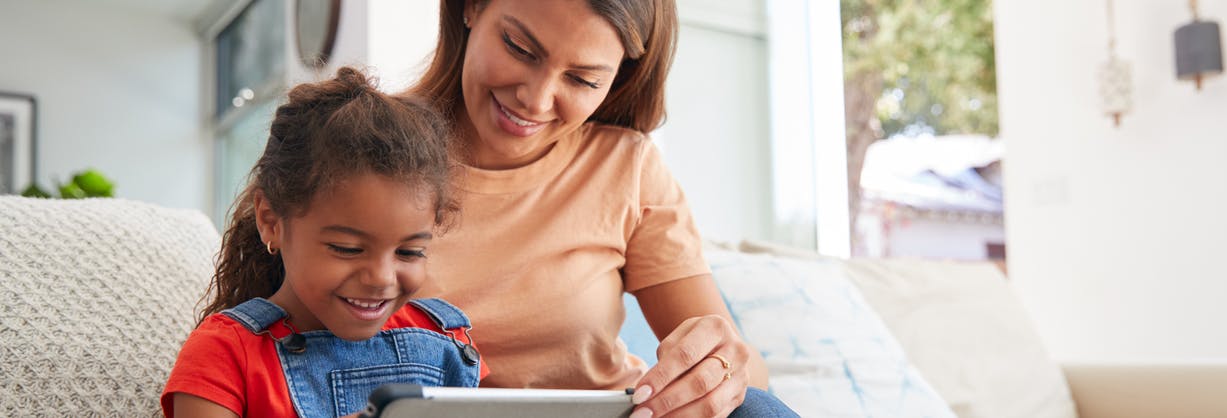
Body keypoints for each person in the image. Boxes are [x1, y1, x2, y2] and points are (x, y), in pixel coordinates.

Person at [406, 1, 798, 417]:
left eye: (581, 79)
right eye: (519, 48)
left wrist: (725, 367)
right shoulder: (362, 151)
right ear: (471, 7)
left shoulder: (626, 168)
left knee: (756, 409)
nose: (536, 101)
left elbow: (743, 368)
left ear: (618, 78)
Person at [162, 67, 486, 418]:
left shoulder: (444, 340)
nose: (381, 278)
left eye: (409, 252)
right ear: (271, 222)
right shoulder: (224, 354)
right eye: (348, 249)